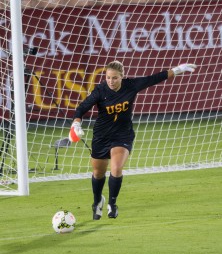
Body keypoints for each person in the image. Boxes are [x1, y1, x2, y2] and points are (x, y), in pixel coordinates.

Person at [69, 61, 197, 220]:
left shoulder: (131, 85)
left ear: (122, 77)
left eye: (114, 78)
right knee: (98, 172)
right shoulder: (100, 90)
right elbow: (82, 107)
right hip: (101, 136)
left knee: (116, 169)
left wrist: (178, 70)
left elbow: (154, 78)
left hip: (123, 134)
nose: (110, 81)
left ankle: (112, 204)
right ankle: (97, 202)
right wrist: (76, 123)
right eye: (108, 77)